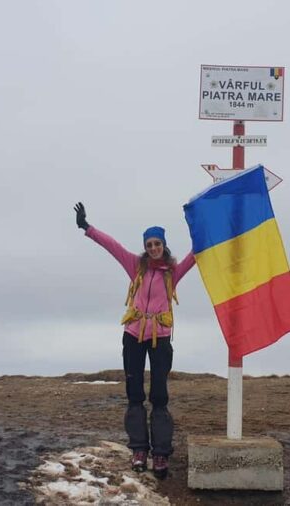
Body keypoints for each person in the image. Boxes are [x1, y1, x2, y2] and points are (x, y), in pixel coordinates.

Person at [73, 202, 196, 479]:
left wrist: (211, 228)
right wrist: (87, 228)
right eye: (149, 244)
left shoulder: (172, 272)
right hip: (133, 336)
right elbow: (112, 246)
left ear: (164, 245)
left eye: (157, 244)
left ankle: (161, 454)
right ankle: (140, 450)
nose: (153, 248)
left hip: (160, 338)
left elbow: (197, 253)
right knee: (135, 393)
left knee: (160, 396)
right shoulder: (135, 266)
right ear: (145, 246)